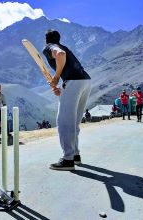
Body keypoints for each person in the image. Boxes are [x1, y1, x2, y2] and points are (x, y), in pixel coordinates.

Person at [42, 29, 91, 171]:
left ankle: (68, 160)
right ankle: (75, 155)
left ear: (46, 40)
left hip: (74, 81)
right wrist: (62, 86)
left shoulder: (50, 47)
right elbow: (64, 56)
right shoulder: (64, 47)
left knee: (64, 122)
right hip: (85, 80)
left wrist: (56, 77)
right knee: (74, 121)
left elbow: (60, 55)